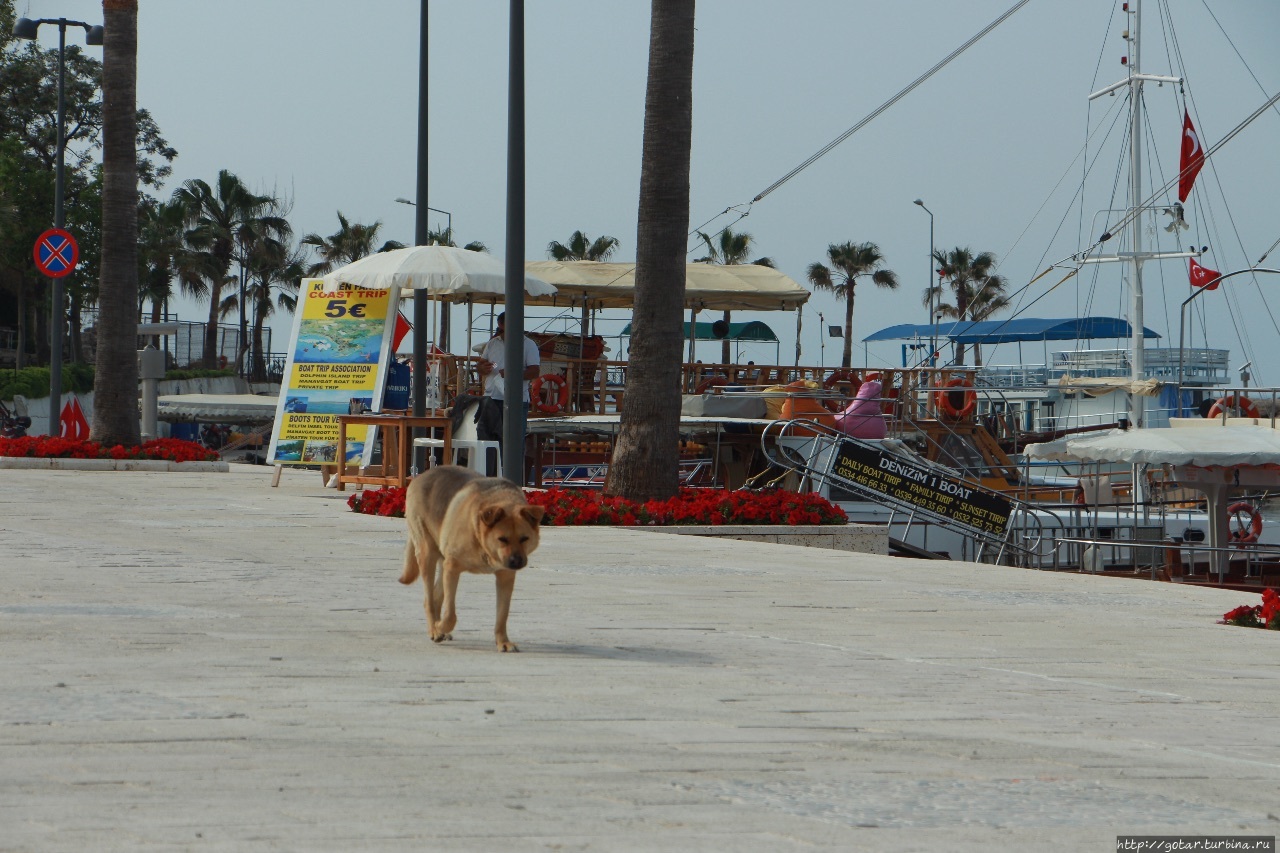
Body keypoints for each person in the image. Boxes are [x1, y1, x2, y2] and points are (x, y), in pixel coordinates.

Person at [478, 312, 541, 415]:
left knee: (515, 431)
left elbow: (535, 372)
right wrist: (482, 368)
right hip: (491, 398)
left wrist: (512, 374)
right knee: (488, 431)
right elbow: (480, 366)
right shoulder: (492, 343)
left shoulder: (529, 344)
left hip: (516, 400)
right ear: (500, 325)